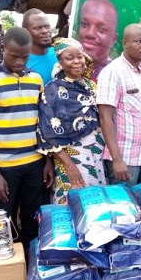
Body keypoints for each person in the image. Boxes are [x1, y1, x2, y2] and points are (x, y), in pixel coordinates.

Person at [0, 27, 53, 251]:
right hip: (4, 167)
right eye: (14, 56)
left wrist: (47, 160)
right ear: (2, 49)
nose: (19, 61)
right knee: (2, 223)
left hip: (35, 164)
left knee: (33, 222)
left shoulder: (37, 80)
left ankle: (29, 271)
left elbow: (42, 124)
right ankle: (4, 275)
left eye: (24, 57)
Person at [38, 38, 106, 204]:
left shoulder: (91, 85)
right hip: (71, 156)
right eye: (69, 58)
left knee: (96, 204)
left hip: (97, 153)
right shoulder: (52, 89)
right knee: (72, 202)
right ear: (60, 62)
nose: (77, 61)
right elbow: (48, 134)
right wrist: (70, 166)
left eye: (80, 56)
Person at [97, 24, 141, 186]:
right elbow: (105, 118)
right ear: (124, 43)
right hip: (125, 159)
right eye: (138, 41)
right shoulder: (112, 72)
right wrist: (117, 160)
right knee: (125, 208)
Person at [79, 0, 119, 81]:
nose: (90, 33)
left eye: (102, 29)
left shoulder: (117, 76)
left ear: (113, 39)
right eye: (84, 24)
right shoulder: (62, 68)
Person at [22, 8, 58, 86]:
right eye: (38, 28)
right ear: (26, 31)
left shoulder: (61, 54)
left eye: (47, 26)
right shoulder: (20, 62)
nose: (45, 31)